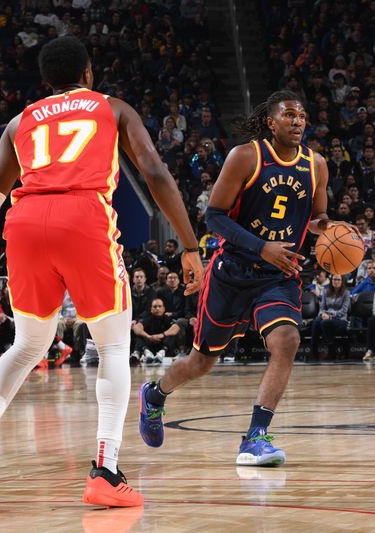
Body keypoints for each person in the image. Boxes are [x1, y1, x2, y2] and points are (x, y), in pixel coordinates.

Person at [0, 37, 203, 507]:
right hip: (82, 216)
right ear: (88, 74)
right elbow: (156, 173)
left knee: (27, 345)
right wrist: (188, 245)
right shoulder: (112, 107)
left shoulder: (20, 121)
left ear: (46, 82)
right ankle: (106, 469)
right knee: (114, 346)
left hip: (24, 223)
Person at [137, 90, 346, 467]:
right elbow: (214, 216)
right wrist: (262, 246)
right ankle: (156, 394)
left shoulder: (316, 165)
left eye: (302, 115)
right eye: (289, 115)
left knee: (287, 340)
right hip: (231, 273)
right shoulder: (246, 157)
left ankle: (256, 437)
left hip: (278, 276)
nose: (298, 121)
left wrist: (327, 229)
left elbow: (316, 216)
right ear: (271, 121)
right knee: (201, 363)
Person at [310, 274, 350, 357]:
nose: (336, 281)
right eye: (334, 279)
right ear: (331, 281)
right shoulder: (325, 291)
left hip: (341, 319)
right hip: (326, 317)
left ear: (342, 282)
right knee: (316, 322)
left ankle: (331, 349)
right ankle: (314, 349)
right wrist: (322, 314)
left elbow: (344, 311)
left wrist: (329, 316)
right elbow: (322, 307)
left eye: (338, 280)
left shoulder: (346, 293)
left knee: (325, 323)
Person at [131, 298, 178, 365]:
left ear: (164, 308)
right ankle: (145, 353)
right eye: (155, 307)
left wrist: (162, 335)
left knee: (172, 335)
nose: (157, 308)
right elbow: (136, 328)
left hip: (163, 345)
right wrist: (148, 337)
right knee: (139, 334)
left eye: (159, 306)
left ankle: (162, 353)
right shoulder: (147, 318)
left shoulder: (167, 318)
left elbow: (176, 328)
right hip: (150, 344)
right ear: (151, 309)